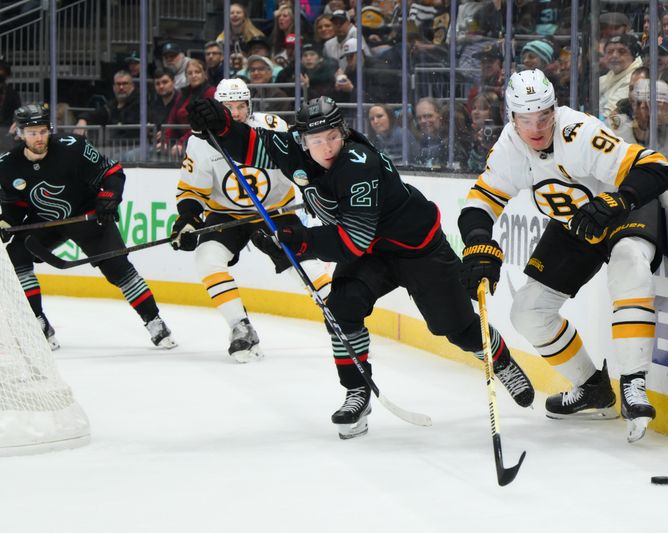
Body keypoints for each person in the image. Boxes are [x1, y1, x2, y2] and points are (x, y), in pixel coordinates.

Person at [187, 95, 534, 439]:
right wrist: (221, 124)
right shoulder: (297, 146)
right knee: (340, 308)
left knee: (454, 327)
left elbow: (353, 241)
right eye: (317, 140)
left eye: (333, 137)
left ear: (343, 131)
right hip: (371, 252)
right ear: (303, 140)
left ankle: (500, 358)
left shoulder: (357, 164)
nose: (326, 148)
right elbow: (252, 145)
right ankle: (357, 391)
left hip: (417, 248)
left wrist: (299, 239)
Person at [457, 70, 668, 443]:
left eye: (543, 116)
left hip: (624, 208)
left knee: (628, 265)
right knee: (528, 312)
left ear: (554, 110)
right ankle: (593, 389)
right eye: (526, 120)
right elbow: (480, 201)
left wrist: (618, 200)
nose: (536, 128)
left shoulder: (578, 132)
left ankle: (634, 384)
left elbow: (656, 167)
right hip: (577, 224)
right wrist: (477, 242)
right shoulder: (509, 147)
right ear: (511, 118)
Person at [171, 79, 331, 362]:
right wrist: (188, 218)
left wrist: (312, 190)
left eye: (241, 106)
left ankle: (338, 310)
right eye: (228, 108)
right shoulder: (200, 141)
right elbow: (193, 189)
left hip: (275, 210)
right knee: (207, 258)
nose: (235, 113)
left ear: (250, 105)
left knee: (297, 255)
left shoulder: (271, 127)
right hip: (226, 214)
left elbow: (298, 163)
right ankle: (240, 327)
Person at [0, 104, 176, 350]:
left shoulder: (73, 147)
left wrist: (109, 197)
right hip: (45, 222)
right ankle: (38, 321)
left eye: (42, 131)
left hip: (87, 216)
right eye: (32, 133)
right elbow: (14, 206)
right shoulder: (7, 165)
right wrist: (7, 223)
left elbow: (112, 172)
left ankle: (154, 320)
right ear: (19, 133)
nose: (39, 138)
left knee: (118, 268)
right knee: (16, 254)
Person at [162, 59, 216, 158]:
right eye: (190, 73)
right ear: (186, 76)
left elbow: (201, 124)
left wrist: (182, 142)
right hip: (181, 142)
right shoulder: (183, 93)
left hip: (202, 142)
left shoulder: (210, 92)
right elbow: (172, 119)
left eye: (197, 72)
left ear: (204, 73)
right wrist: (166, 142)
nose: (193, 75)